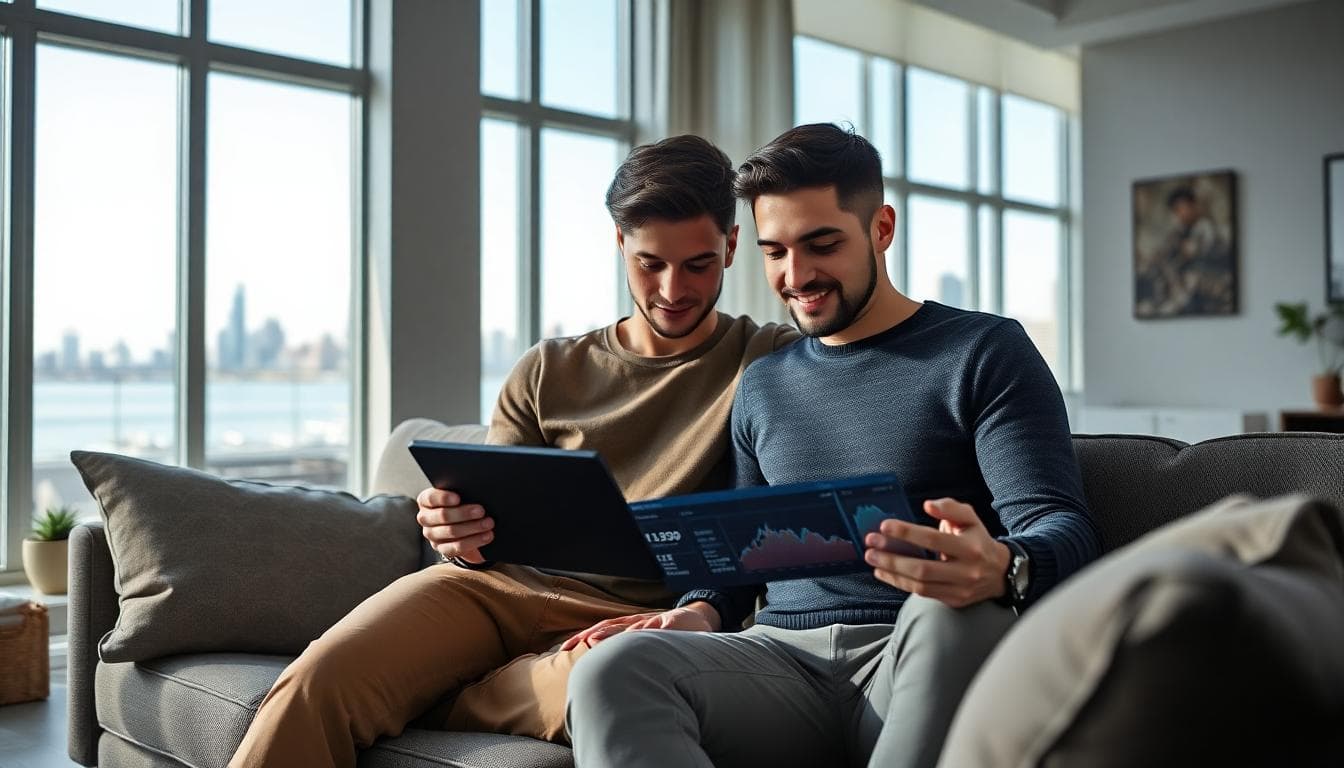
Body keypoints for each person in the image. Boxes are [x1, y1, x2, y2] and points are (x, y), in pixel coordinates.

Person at [228, 135, 797, 768]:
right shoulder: (548, 369)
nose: (672, 289)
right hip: (496, 591)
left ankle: (432, 698)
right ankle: (423, 691)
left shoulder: (767, 359)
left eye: (698, 264)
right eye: (649, 263)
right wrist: (454, 532)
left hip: (641, 615)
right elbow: (479, 539)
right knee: (319, 680)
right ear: (618, 244)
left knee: (601, 688)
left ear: (732, 246)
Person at [565, 124, 1102, 768]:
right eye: (774, 252)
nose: (797, 276)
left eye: (822, 245)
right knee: (614, 669)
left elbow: (1063, 527)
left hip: (918, 646)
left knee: (954, 607)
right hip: (780, 663)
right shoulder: (763, 383)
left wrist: (1003, 564)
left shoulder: (983, 352)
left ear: (881, 228)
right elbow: (740, 562)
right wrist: (703, 609)